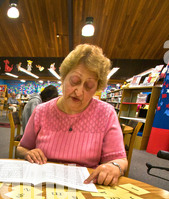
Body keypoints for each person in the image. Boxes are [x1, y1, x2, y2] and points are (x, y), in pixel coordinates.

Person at [17, 44, 128, 186]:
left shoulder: (106, 113)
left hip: (86, 187)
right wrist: (27, 153)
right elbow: (21, 148)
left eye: (88, 86)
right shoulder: (41, 111)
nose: (79, 91)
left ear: (97, 89)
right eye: (75, 81)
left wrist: (114, 167)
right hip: (43, 186)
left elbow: (120, 159)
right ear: (63, 78)